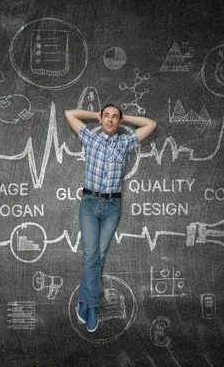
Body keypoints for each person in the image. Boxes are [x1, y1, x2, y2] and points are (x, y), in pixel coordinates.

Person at [64, 104, 156, 332]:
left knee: (100, 256)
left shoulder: (125, 143)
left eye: (115, 117)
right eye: (106, 116)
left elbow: (151, 124)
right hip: (89, 204)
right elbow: (70, 114)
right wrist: (95, 115)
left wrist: (125, 119)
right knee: (90, 256)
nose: (110, 120)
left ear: (119, 121)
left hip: (113, 206)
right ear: (102, 118)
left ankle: (84, 301)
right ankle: (93, 306)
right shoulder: (90, 139)